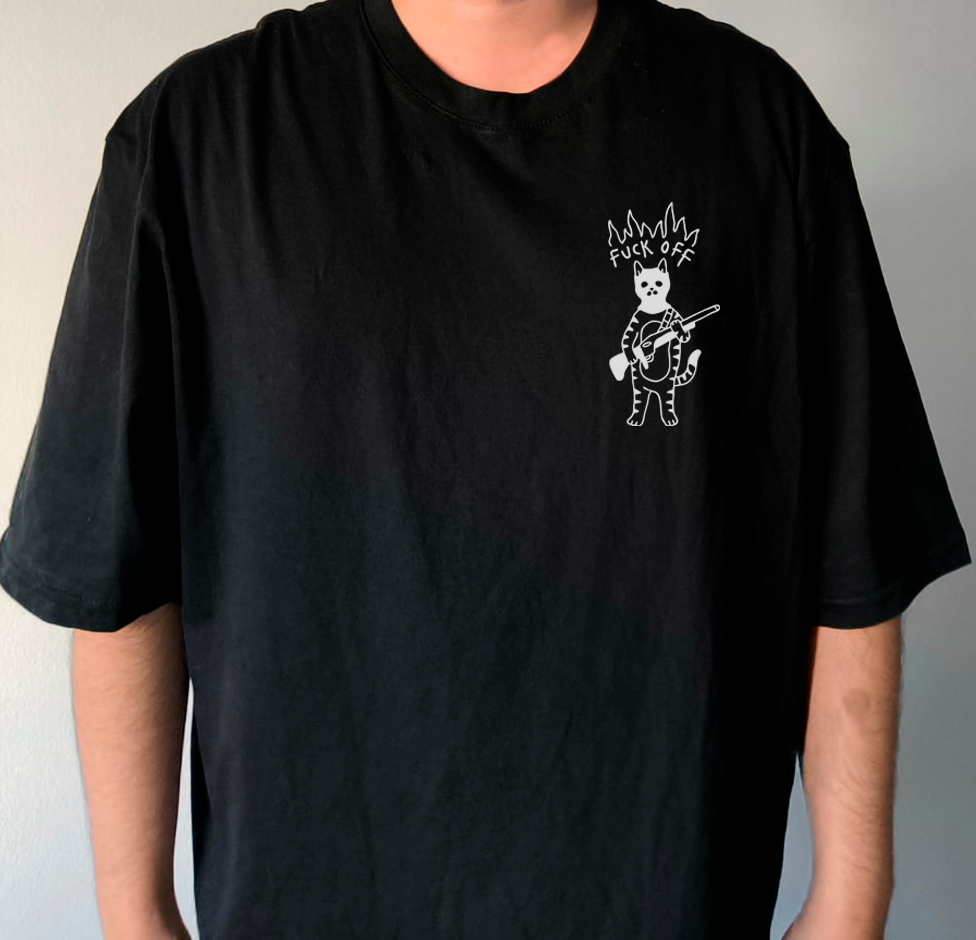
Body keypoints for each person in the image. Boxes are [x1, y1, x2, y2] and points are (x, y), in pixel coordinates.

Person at [0, 0, 970, 937]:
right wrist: (134, 913)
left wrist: (853, 899)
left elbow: (855, 552)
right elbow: (113, 558)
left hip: (664, 898)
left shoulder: (756, 125)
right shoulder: (198, 138)